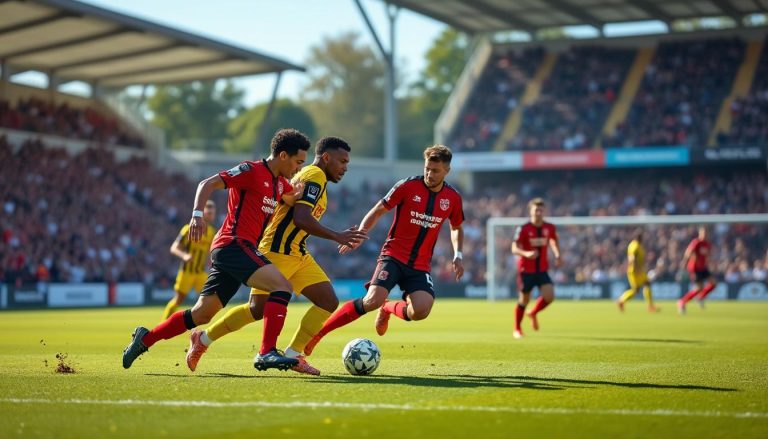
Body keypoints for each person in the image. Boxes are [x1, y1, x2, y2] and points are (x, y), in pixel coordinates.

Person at [122, 128, 311, 371]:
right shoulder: (250, 170)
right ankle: (267, 353)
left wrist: (310, 185)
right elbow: (207, 183)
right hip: (233, 244)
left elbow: (294, 197)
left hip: (239, 251)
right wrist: (197, 215)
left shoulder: (280, 184)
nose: (298, 168)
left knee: (202, 315)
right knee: (282, 286)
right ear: (283, 156)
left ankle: (145, 339)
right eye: (298, 162)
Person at [184, 136, 367, 375]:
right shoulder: (315, 176)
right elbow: (301, 217)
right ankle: (203, 339)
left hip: (297, 253)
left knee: (327, 301)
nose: (345, 168)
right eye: (342, 161)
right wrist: (337, 236)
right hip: (278, 250)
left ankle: (293, 355)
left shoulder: (306, 176)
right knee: (257, 309)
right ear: (326, 158)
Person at [303, 145, 465, 356]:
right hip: (393, 256)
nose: (429, 174)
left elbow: (456, 227)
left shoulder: (452, 198)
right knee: (371, 300)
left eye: (435, 171)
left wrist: (458, 254)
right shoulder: (407, 186)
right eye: (427, 168)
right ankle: (318, 335)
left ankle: (388, 309)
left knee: (421, 311)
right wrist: (361, 233)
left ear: (447, 171)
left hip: (420, 264)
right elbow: (378, 210)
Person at [510, 198, 561, 339]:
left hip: (542, 269)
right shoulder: (523, 228)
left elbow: (554, 240)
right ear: (531, 211)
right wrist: (526, 253)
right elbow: (514, 247)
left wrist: (557, 254)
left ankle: (533, 313)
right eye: (536, 210)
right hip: (526, 270)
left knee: (549, 296)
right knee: (524, 300)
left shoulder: (549, 227)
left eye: (541, 210)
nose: (539, 213)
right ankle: (517, 328)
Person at [162, 200, 217, 321]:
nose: (212, 214)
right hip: (187, 271)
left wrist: (212, 263)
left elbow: (209, 251)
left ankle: (195, 327)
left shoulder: (211, 232)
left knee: (208, 301)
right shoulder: (188, 229)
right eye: (209, 211)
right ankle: (162, 325)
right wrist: (184, 256)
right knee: (178, 300)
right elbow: (174, 248)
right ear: (202, 212)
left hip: (201, 273)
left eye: (213, 211)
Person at [677, 226, 718, 314]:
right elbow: (688, 252)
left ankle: (700, 297)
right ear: (700, 233)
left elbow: (707, 256)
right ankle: (682, 302)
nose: (704, 235)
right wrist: (685, 262)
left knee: (714, 283)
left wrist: (712, 264)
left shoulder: (707, 244)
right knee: (699, 288)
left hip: (703, 267)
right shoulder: (696, 242)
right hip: (694, 268)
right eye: (703, 233)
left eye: (706, 233)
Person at [617, 229, 659, 313]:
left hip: (639, 270)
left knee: (647, 284)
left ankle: (650, 306)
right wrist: (636, 269)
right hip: (635, 271)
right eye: (641, 237)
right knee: (636, 290)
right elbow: (632, 258)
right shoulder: (635, 246)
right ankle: (621, 300)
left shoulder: (638, 245)